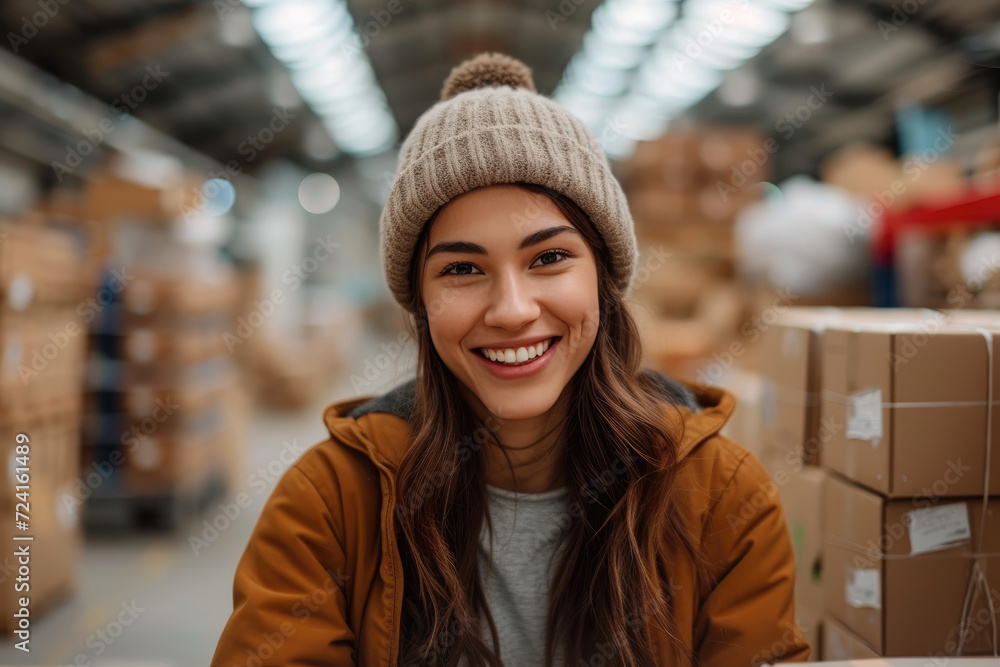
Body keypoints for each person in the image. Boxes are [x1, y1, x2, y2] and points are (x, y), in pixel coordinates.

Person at [211, 52, 810, 667]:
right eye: (463, 269)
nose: (512, 310)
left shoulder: (719, 496)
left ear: (603, 279)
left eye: (549, 258)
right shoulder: (331, 504)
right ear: (420, 301)